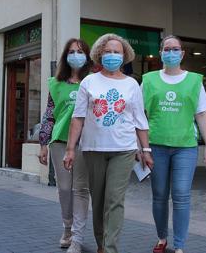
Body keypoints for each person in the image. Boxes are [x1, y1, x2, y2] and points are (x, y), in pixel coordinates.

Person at [64, 33, 154, 253]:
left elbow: (140, 121)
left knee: (115, 200)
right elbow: (78, 118)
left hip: (123, 150)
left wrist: (146, 150)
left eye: (117, 52)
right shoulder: (89, 81)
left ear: (124, 56)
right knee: (99, 201)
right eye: (107, 51)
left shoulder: (132, 84)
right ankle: (101, 244)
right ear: (99, 54)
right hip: (93, 149)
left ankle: (110, 248)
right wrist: (70, 149)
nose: (112, 55)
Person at [141, 35, 206, 253]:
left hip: (185, 147)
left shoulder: (194, 80)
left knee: (181, 195)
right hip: (156, 146)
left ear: (182, 53)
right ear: (161, 52)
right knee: (160, 195)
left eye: (175, 49)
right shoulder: (149, 79)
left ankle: (180, 245)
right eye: (167, 48)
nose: (171, 52)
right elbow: (139, 115)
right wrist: (141, 146)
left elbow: (201, 114)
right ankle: (162, 238)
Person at [38, 38, 93, 253]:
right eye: (71, 51)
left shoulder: (94, 81)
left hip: (87, 142)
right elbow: (50, 115)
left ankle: (76, 235)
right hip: (60, 141)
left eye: (80, 51)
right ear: (65, 56)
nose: (76, 55)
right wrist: (43, 143)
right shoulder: (55, 83)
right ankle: (67, 227)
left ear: (87, 55)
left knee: (81, 189)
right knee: (64, 189)